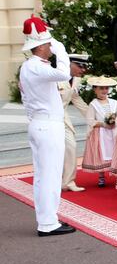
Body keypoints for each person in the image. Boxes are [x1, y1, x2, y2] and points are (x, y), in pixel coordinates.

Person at [19, 15, 75, 237]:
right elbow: (63, 73)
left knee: (45, 175)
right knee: (49, 175)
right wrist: (61, 51)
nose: (51, 46)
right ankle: (48, 223)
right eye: (49, 42)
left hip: (42, 125)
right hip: (47, 126)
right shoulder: (35, 66)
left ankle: (47, 219)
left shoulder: (31, 66)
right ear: (41, 45)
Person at [81, 76, 117, 188]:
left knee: (116, 152)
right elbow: (90, 120)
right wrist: (103, 124)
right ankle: (101, 175)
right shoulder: (93, 104)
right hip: (100, 132)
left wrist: (115, 121)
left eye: (106, 88)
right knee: (101, 153)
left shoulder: (113, 102)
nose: (104, 91)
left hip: (114, 132)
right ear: (95, 89)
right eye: (101, 88)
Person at [60, 54, 90, 192]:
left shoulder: (76, 79)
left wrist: (95, 117)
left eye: (84, 66)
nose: (82, 70)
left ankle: (68, 182)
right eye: (79, 66)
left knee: (71, 146)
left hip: (62, 117)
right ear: (69, 64)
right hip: (48, 118)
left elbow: (77, 99)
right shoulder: (56, 77)